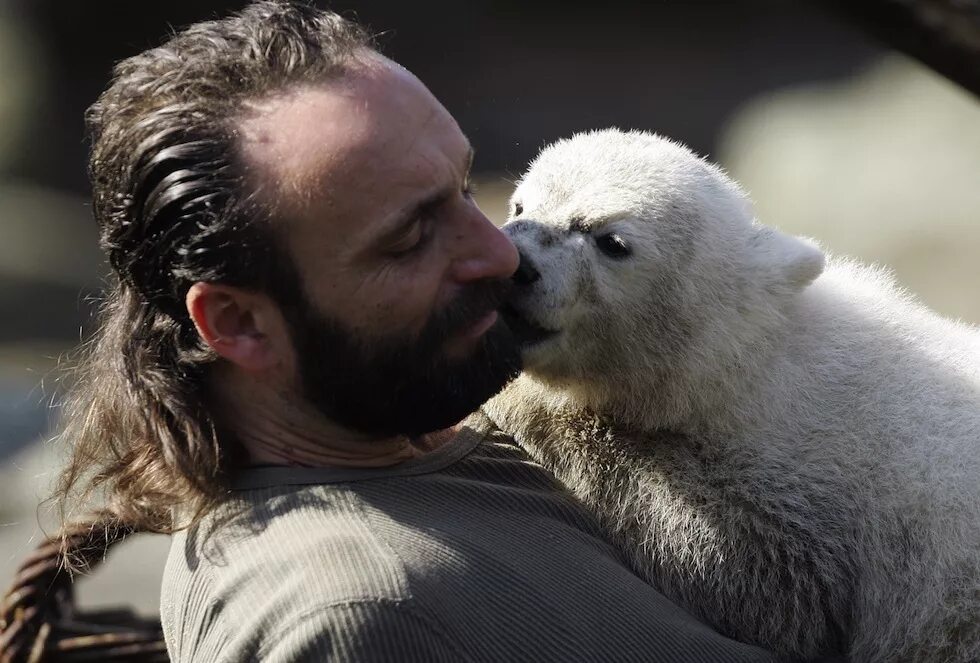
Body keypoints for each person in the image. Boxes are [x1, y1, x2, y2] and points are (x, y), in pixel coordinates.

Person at [56, 2, 804, 661]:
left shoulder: (426, 427)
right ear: (241, 324)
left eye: (465, 190)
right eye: (410, 240)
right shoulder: (359, 618)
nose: (502, 252)